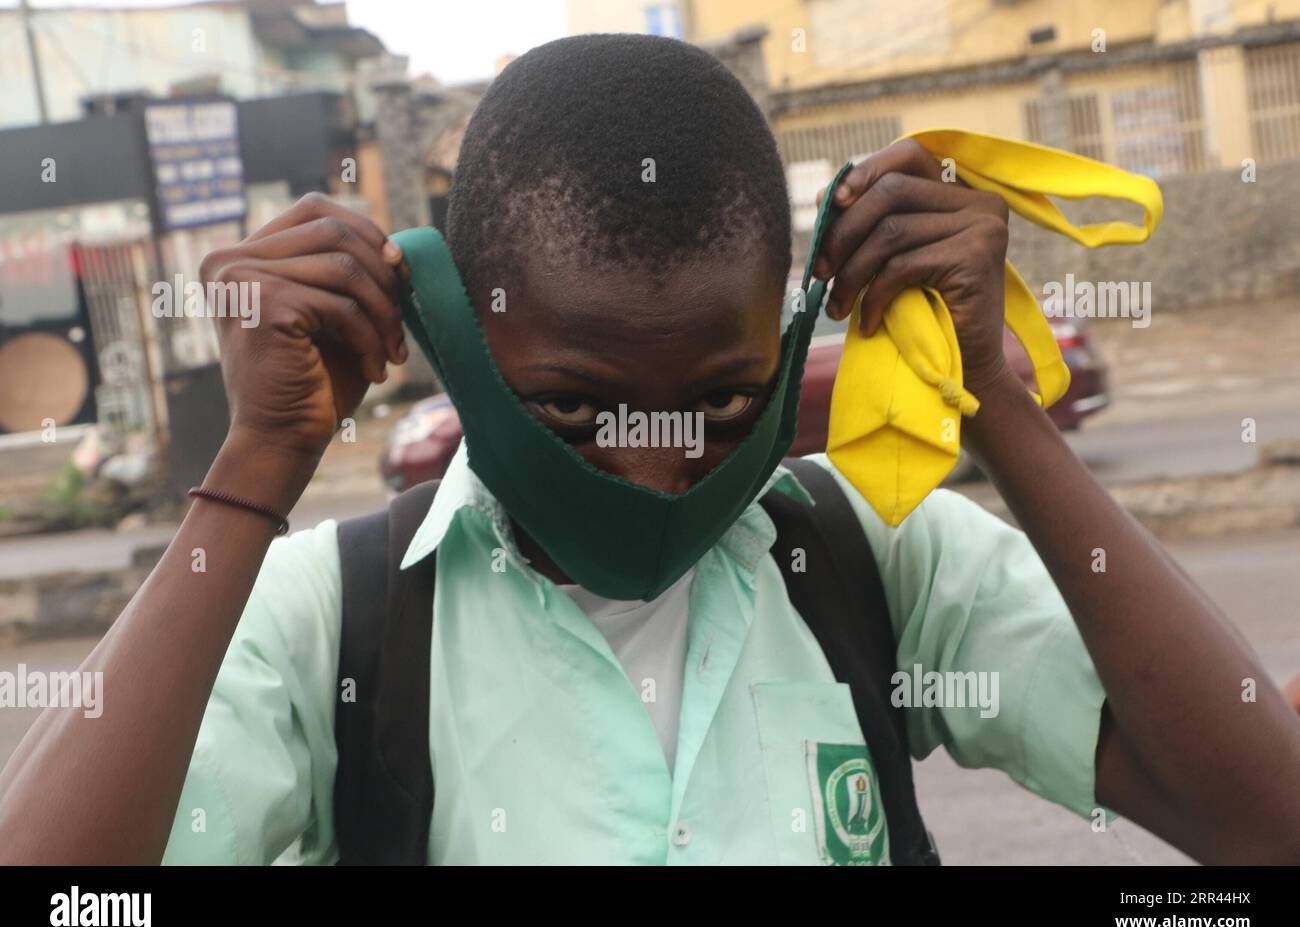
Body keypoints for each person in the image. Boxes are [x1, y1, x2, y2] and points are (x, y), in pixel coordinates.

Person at [1, 34, 1297, 866]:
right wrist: (251, 476)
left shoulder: (877, 564)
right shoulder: (332, 628)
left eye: (727, 404)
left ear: (799, 336)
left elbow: (1261, 818)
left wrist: (997, 407)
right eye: (572, 411)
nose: (657, 472)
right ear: (454, 335)